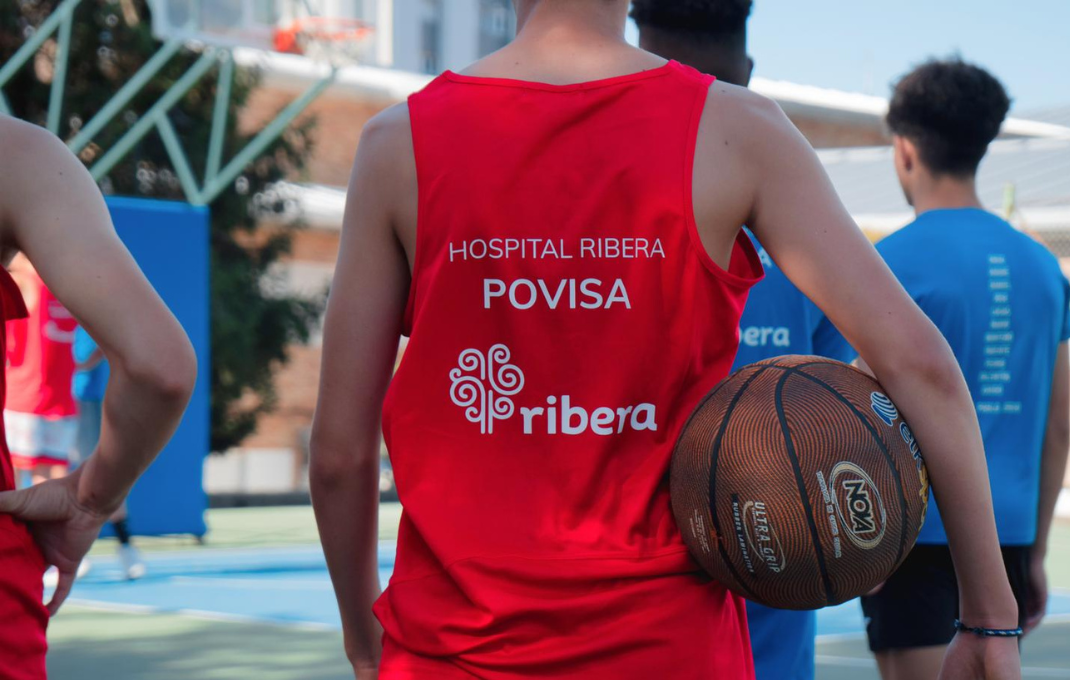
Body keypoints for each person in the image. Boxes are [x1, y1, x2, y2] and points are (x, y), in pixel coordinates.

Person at [310, 2, 1022, 679]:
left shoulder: (396, 145)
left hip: (446, 649)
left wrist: (361, 636)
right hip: (669, 648)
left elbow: (340, 455)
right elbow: (919, 365)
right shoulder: (738, 132)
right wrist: (989, 616)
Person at [633, 2, 847, 678]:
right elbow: (848, 408)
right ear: (748, 70)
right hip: (776, 572)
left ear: (638, 56)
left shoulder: (586, 231)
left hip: (626, 610)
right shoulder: (808, 236)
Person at [842, 59, 1070, 680]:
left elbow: (850, 419)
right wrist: (1038, 553)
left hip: (911, 539)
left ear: (905, 151)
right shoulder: (1043, 268)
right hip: (1010, 537)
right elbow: (1058, 429)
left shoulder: (882, 264)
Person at [0, 115, 197, 679]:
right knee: (46, 482)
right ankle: (120, 538)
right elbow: (160, 368)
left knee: (41, 475)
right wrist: (90, 500)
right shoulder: (21, 160)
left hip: (57, 399)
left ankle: (126, 544)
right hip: (35, 404)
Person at [73, 327, 146, 580]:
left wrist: (77, 366)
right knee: (53, 475)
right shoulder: (41, 308)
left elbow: (108, 342)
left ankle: (126, 547)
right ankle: (73, 553)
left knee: (100, 477)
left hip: (84, 401)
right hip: (47, 402)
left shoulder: (85, 308)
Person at [5, 256, 79, 487]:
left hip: (21, 399)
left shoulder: (19, 283)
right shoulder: (69, 285)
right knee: (49, 479)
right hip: (59, 400)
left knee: (10, 483)